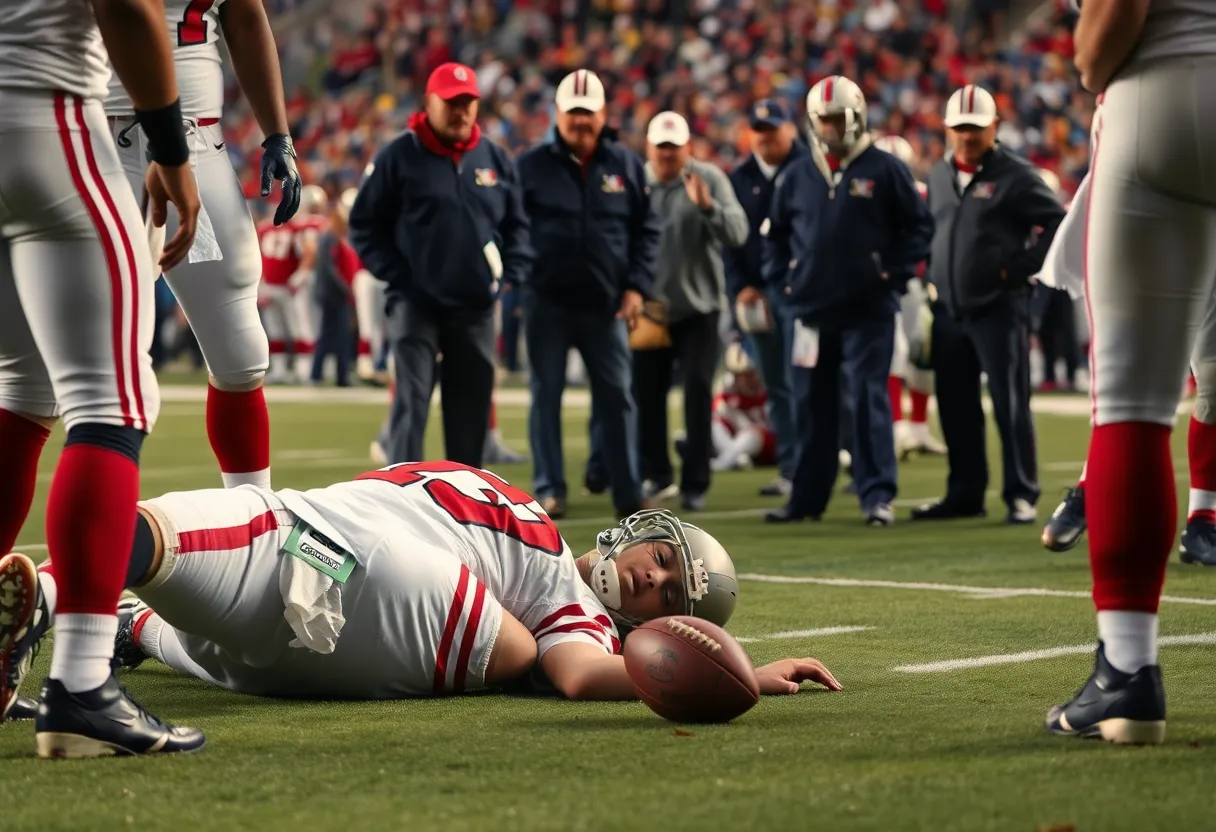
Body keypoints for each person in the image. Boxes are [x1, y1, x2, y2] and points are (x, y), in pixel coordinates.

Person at [0, 462, 840, 712]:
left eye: (667, 593)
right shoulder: (541, 546)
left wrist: (737, 673)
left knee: (204, 532)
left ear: (670, 623)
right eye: (662, 555)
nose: (650, 576)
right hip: (316, 627)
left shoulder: (569, 604)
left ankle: (47, 590)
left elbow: (579, 672)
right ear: (641, 529)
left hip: (354, 554)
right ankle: (116, 626)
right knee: (206, 633)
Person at [0, 0, 205, 757]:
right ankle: (82, 686)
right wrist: (172, 148)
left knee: (20, 394)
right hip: (45, 115)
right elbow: (124, 4)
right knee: (113, 400)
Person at [1041, 0, 1216, 746]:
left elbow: (1119, 13)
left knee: (1132, 402)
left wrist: (1089, 59)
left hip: (1166, 93)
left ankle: (1129, 672)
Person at [105, 0, 302, 491]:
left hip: (195, 142)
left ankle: (253, 522)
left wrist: (279, 133)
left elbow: (244, 14)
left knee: (240, 350)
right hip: (94, 135)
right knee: (57, 375)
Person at [762, 75, 934, 527]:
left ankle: (876, 494)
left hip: (868, 308)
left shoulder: (885, 168)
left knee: (866, 398)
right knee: (810, 406)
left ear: (856, 118)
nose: (830, 129)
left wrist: (889, 274)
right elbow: (775, 236)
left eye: (837, 119)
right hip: (812, 310)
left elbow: (918, 228)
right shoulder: (798, 173)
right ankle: (807, 498)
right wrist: (783, 281)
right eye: (823, 120)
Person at [349, 63, 532, 469]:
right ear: (429, 102)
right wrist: (400, 275)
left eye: (468, 103)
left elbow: (518, 226)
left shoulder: (495, 159)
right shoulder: (399, 155)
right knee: (412, 403)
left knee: (470, 410)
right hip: (416, 304)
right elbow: (363, 224)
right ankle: (400, 497)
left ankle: (463, 504)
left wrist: (507, 278)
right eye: (451, 102)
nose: (461, 111)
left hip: (476, 307)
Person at [912, 85, 1065, 525]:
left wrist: (1018, 268)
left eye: (976, 128)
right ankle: (964, 493)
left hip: (1000, 307)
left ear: (994, 127)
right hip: (948, 310)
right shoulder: (939, 175)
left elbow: (1056, 222)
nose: (967, 136)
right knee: (956, 405)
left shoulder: (1016, 175)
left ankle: (1021, 493)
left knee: (1009, 402)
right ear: (946, 129)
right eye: (960, 128)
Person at [516, 69, 660, 520]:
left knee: (618, 396)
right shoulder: (530, 166)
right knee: (546, 395)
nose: (581, 122)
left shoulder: (626, 165)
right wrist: (522, 276)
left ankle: (627, 492)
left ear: (603, 115)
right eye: (573, 114)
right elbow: (512, 228)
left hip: (606, 303)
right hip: (547, 301)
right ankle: (550, 488)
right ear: (557, 114)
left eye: (588, 114)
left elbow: (647, 232)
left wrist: (637, 286)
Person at [635, 111, 748, 512]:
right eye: (661, 147)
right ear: (650, 147)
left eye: (674, 146)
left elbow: (738, 231)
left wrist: (708, 207)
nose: (668, 154)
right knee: (647, 394)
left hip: (700, 306)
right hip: (651, 306)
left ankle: (695, 482)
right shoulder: (637, 180)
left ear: (688, 147)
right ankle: (658, 472)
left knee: (698, 390)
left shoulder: (708, 179)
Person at [725, 100, 808, 499]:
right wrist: (740, 285)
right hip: (760, 293)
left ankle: (827, 463)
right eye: (758, 129)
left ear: (789, 130)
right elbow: (732, 241)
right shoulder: (740, 177)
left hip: (804, 292)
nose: (764, 137)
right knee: (777, 384)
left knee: (813, 382)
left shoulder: (810, 169)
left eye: (771, 129)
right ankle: (793, 468)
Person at [871, 133, 948, 461]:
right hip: (885, 285)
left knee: (922, 353)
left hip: (916, 284)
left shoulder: (921, 194)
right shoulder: (868, 196)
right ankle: (895, 426)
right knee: (895, 353)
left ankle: (917, 427)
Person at [258, 186, 330, 384]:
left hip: (280, 284)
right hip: (281, 284)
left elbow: (308, 252)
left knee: (288, 328)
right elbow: (309, 252)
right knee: (286, 329)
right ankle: (291, 370)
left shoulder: (267, 227)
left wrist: (300, 274)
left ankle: (299, 370)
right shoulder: (295, 227)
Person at [309, 189, 360, 386]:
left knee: (333, 334)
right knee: (337, 334)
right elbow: (329, 269)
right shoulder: (329, 237)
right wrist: (346, 289)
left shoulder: (333, 237)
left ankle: (327, 374)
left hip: (333, 293)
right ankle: (336, 376)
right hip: (333, 294)